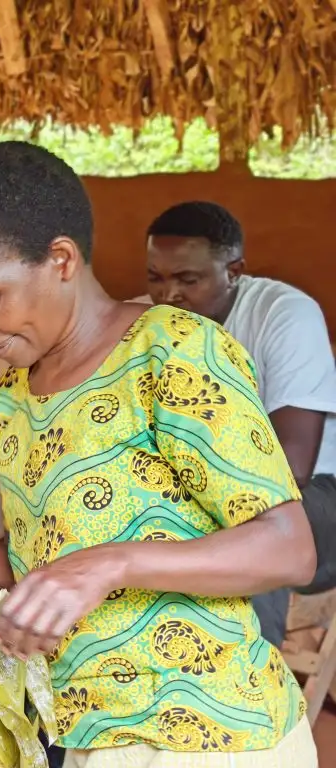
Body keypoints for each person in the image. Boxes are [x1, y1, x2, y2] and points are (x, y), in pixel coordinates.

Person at [0, 142, 319, 766]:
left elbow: (290, 547)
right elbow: (44, 567)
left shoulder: (171, 350)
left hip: (211, 736)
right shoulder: (12, 404)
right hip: (86, 739)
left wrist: (109, 564)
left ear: (61, 260)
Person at [135, 200, 336, 648]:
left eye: (188, 279)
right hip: (205, 490)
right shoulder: (144, 323)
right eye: (155, 277)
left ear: (235, 270)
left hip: (317, 496)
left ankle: (250, 689)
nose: (169, 295)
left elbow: (291, 467)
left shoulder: (284, 315)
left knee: (255, 531)